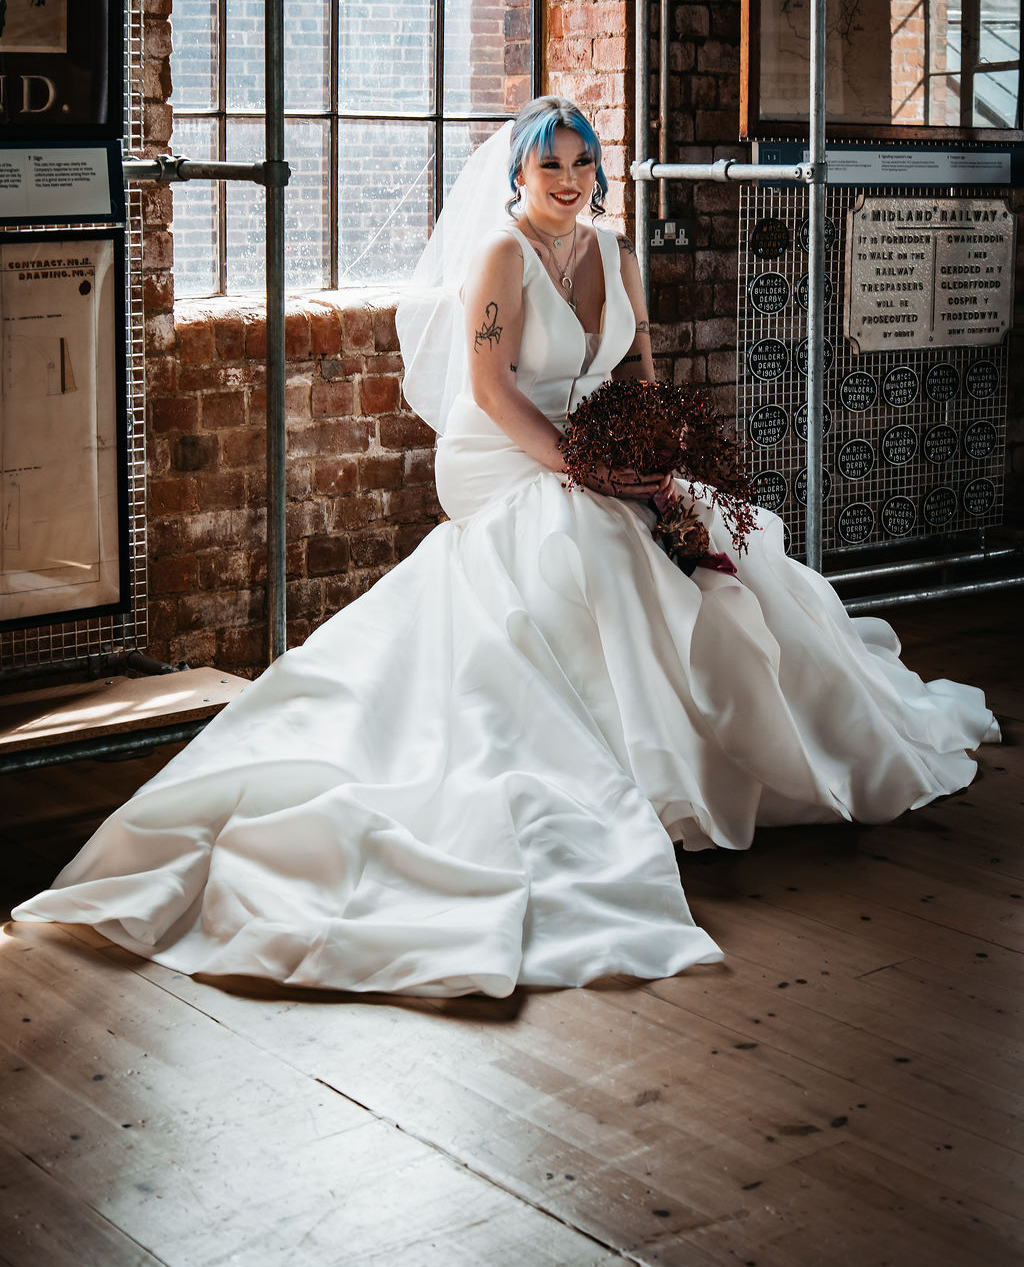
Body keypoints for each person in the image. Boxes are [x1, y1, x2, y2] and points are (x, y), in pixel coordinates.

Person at [12, 97, 997, 998]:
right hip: (503, 455)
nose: (567, 180)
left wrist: (658, 466)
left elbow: (642, 379)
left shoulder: (613, 252)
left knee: (728, 551)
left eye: (581, 163)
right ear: (518, 173)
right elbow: (488, 392)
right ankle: (632, 767)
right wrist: (589, 473)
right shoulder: (500, 258)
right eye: (548, 165)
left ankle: (747, 746)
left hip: (598, 452)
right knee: (585, 545)